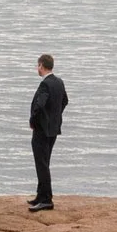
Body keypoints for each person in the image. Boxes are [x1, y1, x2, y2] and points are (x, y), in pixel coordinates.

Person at [28, 54, 68, 211]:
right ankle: (40, 194)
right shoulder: (59, 82)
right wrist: (54, 117)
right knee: (45, 161)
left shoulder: (45, 85)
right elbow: (64, 101)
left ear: (41, 65)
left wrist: (33, 120)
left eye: (38, 66)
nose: (37, 68)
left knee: (41, 163)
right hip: (53, 128)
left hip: (42, 130)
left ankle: (46, 199)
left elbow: (39, 105)